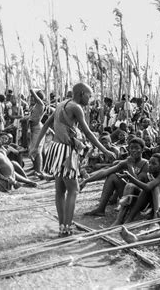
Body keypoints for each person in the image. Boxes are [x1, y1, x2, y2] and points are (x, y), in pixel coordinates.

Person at [31, 83, 116, 236]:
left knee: (60, 190)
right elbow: (88, 133)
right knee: (73, 189)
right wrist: (105, 150)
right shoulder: (76, 107)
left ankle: (62, 227)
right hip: (66, 151)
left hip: (55, 148)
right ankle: (67, 228)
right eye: (89, 96)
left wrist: (36, 146)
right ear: (81, 93)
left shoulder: (62, 104)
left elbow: (46, 125)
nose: (90, 99)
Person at [82, 137, 149, 216]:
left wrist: (130, 167)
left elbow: (137, 183)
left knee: (130, 185)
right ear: (128, 150)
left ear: (142, 150)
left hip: (139, 197)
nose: (133, 150)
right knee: (112, 176)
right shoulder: (126, 162)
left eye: (137, 148)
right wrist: (86, 181)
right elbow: (105, 172)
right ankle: (101, 209)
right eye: (131, 148)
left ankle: (123, 215)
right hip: (126, 195)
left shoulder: (146, 164)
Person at [24, 89, 45, 175]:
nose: (32, 98)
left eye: (33, 97)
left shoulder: (40, 104)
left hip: (37, 129)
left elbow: (35, 95)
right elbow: (32, 116)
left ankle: (38, 170)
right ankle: (35, 167)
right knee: (33, 149)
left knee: (37, 150)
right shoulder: (36, 105)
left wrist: (31, 89)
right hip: (33, 128)